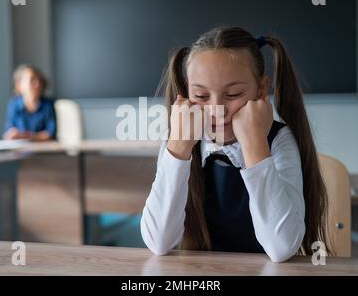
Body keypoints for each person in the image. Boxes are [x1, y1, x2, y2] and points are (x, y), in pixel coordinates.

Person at [140, 27, 330, 262]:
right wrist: (178, 148)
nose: (217, 110)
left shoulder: (278, 140)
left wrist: (254, 145)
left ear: (261, 89)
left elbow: (282, 247)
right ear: (186, 93)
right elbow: (158, 242)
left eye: (233, 94)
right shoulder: (180, 138)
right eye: (201, 96)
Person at [3, 64, 56, 141]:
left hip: (42, 150)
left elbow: (50, 134)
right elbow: (8, 131)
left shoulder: (48, 105)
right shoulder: (14, 104)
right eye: (32, 80)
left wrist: (25, 136)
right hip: (19, 150)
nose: (37, 84)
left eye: (39, 80)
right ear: (19, 85)